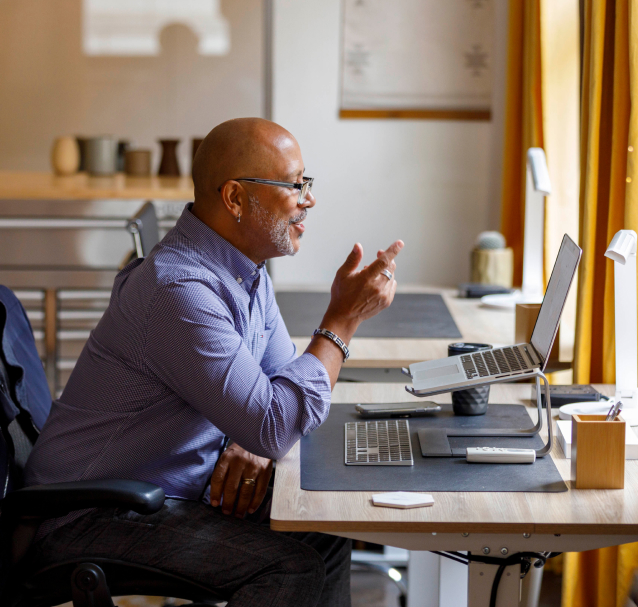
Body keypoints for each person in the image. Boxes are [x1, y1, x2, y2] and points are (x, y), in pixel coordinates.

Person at [24, 118, 404, 607]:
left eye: (306, 183)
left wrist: (259, 442)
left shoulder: (246, 268)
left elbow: (281, 390)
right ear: (234, 199)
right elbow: (276, 419)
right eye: (294, 185)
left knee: (321, 531)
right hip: (88, 514)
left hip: (162, 492)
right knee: (289, 568)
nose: (308, 199)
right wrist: (342, 320)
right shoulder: (178, 290)